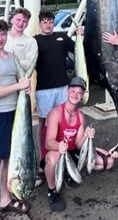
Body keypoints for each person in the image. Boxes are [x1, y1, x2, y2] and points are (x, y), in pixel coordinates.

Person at [41, 76, 114, 212]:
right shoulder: (55, 113)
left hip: (72, 152)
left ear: (82, 97)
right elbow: (48, 143)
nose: (76, 95)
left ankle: (69, 173)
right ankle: (52, 191)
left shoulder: (81, 116)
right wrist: (59, 146)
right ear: (68, 91)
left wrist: (87, 136)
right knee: (53, 158)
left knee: (108, 162)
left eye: (79, 93)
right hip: (55, 152)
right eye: (73, 91)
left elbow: (79, 145)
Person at [34, 11, 83, 164]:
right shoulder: (35, 41)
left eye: (50, 22)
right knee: (44, 122)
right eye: (45, 22)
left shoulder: (61, 37)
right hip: (44, 89)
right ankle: (43, 154)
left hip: (63, 87)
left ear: (54, 22)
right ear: (40, 23)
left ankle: (65, 152)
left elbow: (78, 49)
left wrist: (79, 35)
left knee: (64, 120)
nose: (48, 25)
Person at [0, 20, 31, 214]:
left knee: (8, 157)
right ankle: (3, 198)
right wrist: (19, 86)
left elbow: (19, 79)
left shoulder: (11, 57)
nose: (0, 39)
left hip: (15, 113)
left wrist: (24, 85)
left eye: (3, 34)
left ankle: (5, 195)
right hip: (1, 113)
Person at [5, 7, 38, 72]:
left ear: (27, 24)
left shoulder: (31, 41)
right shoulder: (2, 37)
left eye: (24, 21)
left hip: (19, 81)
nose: (20, 23)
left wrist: (11, 61)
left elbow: (31, 65)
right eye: (18, 19)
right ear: (11, 20)